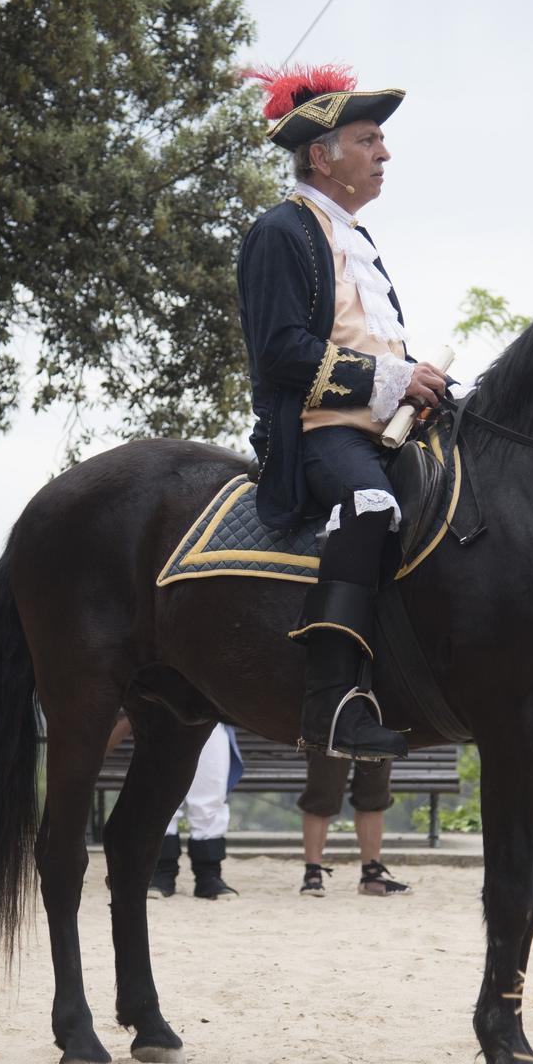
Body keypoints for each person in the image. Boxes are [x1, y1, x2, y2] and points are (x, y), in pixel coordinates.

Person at [237, 63, 447, 762]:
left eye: (381, 140)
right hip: (317, 432)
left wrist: (421, 385)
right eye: (368, 140)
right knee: (370, 505)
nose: (384, 153)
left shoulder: (358, 239)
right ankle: (330, 705)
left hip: (384, 428)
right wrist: (394, 376)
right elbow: (282, 353)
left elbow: (376, 348)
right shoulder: (281, 231)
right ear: (321, 157)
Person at [147, 723, 244, 900]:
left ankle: (208, 875)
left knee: (210, 795)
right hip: (162, 711)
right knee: (162, 794)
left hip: (212, 713)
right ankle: (160, 872)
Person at [298, 753, 412, 897]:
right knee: (322, 792)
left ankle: (372, 875)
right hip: (331, 732)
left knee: (374, 793)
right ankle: (312, 874)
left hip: (376, 732)